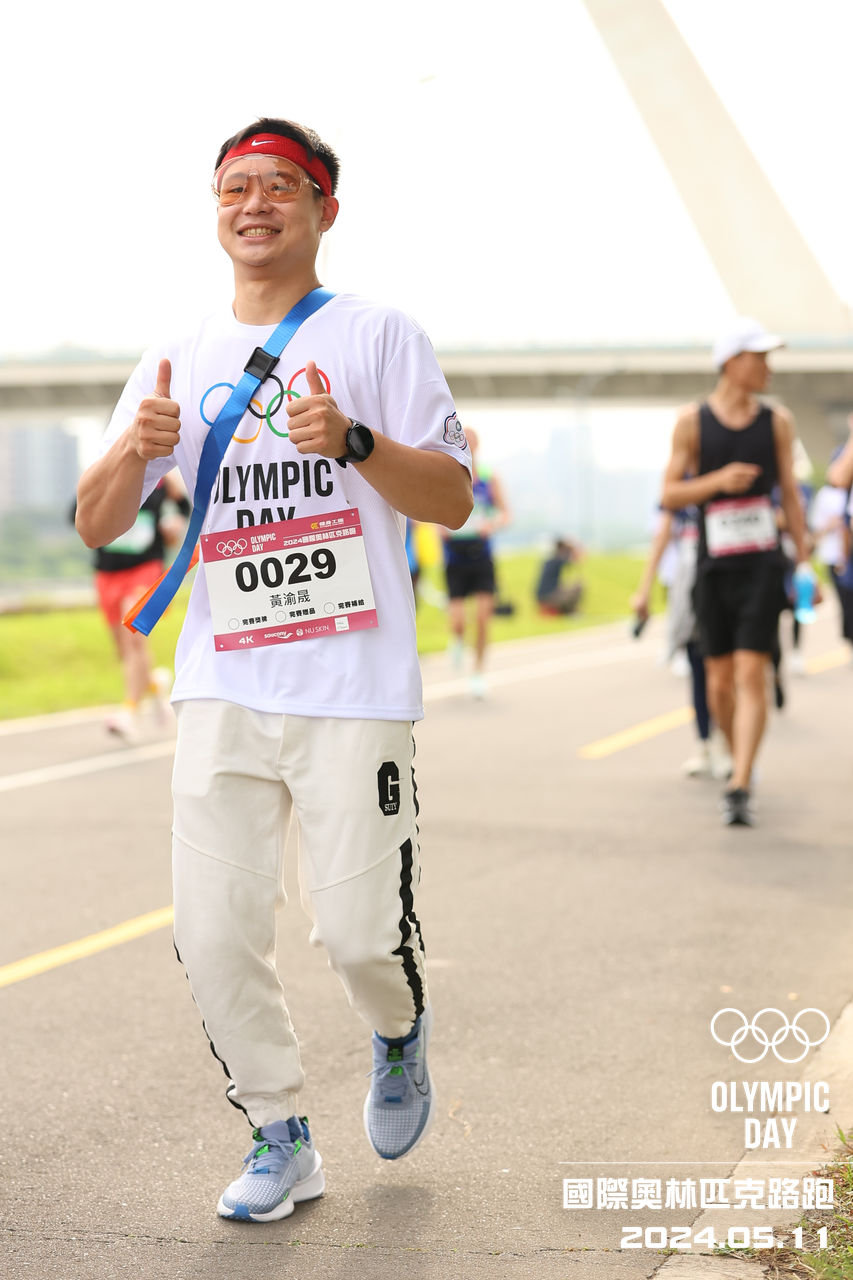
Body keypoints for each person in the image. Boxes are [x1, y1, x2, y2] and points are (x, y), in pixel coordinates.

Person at [75, 116, 473, 1222]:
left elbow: (450, 497)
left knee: (357, 936)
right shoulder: (178, 348)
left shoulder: (379, 334)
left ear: (323, 209)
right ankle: (279, 1132)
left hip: (352, 688)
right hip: (222, 684)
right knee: (211, 932)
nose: (254, 204)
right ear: (216, 209)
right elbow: (96, 522)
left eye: (279, 187)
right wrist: (137, 448)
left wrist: (352, 441)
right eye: (234, 187)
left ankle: (397, 1028)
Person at [660, 316, 813, 827]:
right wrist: (718, 481)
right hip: (713, 568)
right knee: (719, 684)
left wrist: (804, 557)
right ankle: (733, 751)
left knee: (752, 672)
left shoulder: (778, 421)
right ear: (730, 362)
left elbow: (790, 494)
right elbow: (669, 494)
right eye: (760, 358)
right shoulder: (691, 422)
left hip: (762, 565)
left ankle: (741, 783)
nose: (769, 368)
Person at [76, 472, 189, 741]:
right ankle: (154, 684)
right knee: (123, 650)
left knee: (133, 637)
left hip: (145, 569)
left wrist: (175, 522)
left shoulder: (162, 480)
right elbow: (77, 514)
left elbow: (184, 506)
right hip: (107, 572)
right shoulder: (106, 471)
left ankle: (129, 712)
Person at [631, 505, 730, 780]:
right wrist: (644, 589)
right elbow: (662, 536)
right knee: (698, 668)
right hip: (689, 588)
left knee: (724, 673)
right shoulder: (678, 493)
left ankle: (725, 741)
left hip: (726, 582)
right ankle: (704, 742)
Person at [440, 426, 510, 697]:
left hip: (481, 556)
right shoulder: (447, 475)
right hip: (455, 557)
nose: (467, 444)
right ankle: (457, 639)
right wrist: (440, 527)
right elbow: (431, 511)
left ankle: (478, 673)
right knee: (458, 620)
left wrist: (491, 525)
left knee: (482, 618)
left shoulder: (489, 478)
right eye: (463, 439)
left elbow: (505, 514)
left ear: (478, 444)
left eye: (471, 440)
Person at [536, 537, 584, 615]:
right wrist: (573, 549)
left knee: (565, 586)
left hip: (542, 595)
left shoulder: (550, 560)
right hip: (549, 596)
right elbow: (576, 560)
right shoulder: (558, 559)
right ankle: (570, 612)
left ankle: (567, 611)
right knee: (578, 586)